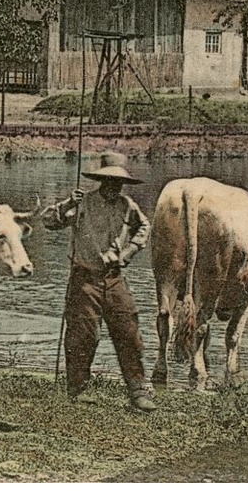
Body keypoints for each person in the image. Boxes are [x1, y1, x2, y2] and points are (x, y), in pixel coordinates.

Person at [41, 150, 157, 412]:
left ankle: (139, 391)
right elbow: (49, 221)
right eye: (110, 182)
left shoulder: (128, 206)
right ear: (102, 181)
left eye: (119, 183)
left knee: (129, 331)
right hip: (84, 278)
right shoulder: (83, 203)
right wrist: (68, 203)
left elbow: (144, 227)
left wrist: (129, 252)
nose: (114, 187)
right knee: (83, 335)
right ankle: (78, 388)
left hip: (114, 278)